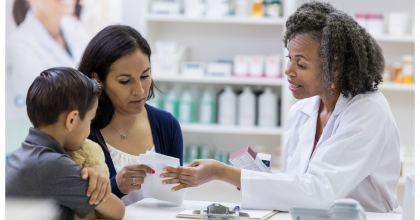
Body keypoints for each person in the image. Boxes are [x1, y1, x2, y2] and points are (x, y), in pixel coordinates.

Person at [161, 1, 401, 213]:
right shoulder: (301, 112)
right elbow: (296, 185)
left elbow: (318, 192)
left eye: (301, 64)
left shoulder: (368, 112)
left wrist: (221, 172)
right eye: (289, 59)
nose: (288, 71)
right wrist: (254, 178)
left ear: (335, 67)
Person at [78, 25, 184, 206]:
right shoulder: (80, 130)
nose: (140, 90)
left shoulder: (167, 125)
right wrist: (116, 186)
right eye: (125, 81)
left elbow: (172, 200)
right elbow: (72, 204)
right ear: (97, 79)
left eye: (145, 75)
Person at [5, 67, 125, 220]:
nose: (89, 129)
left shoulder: (24, 153)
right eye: (90, 120)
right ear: (72, 120)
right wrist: (99, 167)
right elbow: (117, 211)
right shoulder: (52, 165)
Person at [6, 0, 90, 153]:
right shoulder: (18, 46)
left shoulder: (73, 27)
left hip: (79, 136)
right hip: (47, 149)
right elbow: (48, 107)